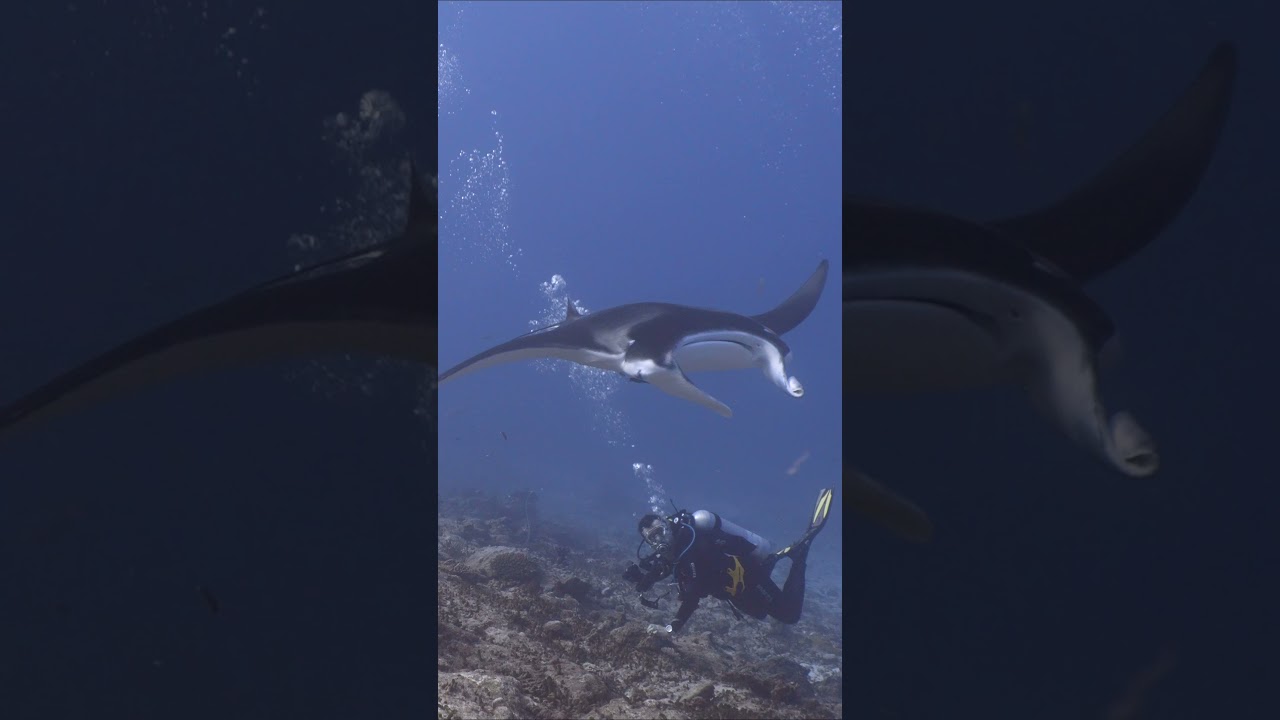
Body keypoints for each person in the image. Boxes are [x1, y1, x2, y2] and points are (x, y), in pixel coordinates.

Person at [622, 488, 833, 635]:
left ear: (668, 527)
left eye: (659, 532)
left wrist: (671, 629)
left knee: (789, 615)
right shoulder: (674, 551)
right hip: (733, 587)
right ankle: (772, 560)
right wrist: (640, 581)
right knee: (760, 613)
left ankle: (800, 555)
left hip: (749, 578)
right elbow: (663, 568)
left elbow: (693, 595)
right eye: (652, 538)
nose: (658, 540)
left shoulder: (692, 546)